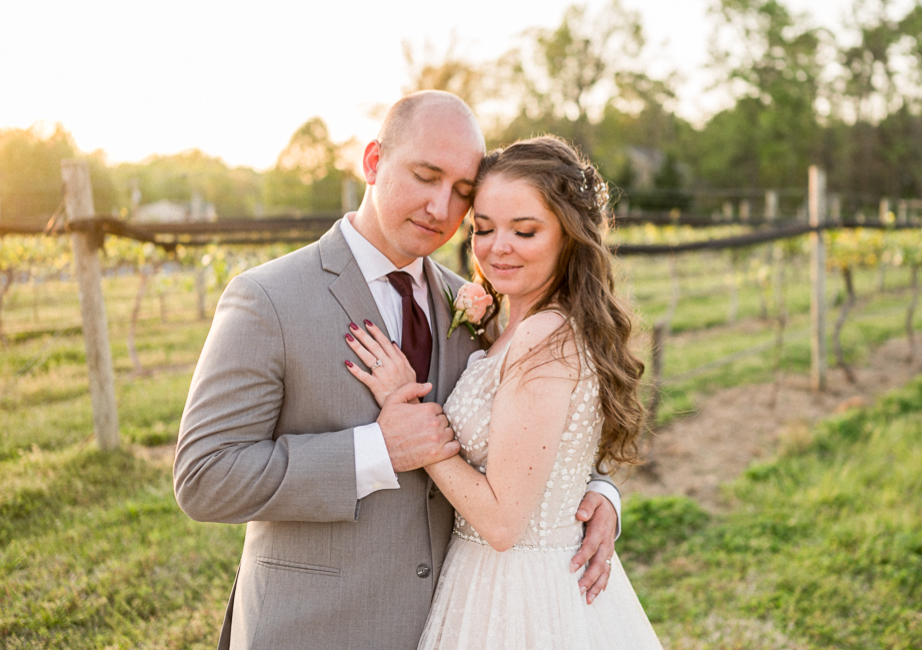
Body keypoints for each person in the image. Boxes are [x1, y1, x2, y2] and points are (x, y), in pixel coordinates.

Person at [173, 91, 622, 650]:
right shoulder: (269, 299)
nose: (441, 208)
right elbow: (204, 477)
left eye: (462, 192)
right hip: (312, 629)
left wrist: (600, 494)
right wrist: (377, 451)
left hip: (461, 622)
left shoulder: (476, 305)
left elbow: (534, 430)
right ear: (373, 161)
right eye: (425, 175)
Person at [343, 135, 663, 649]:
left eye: (526, 230)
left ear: (569, 235)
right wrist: (602, 492)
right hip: (484, 578)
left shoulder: (544, 335)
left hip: (522, 593)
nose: (497, 248)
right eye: (484, 229)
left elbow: (501, 521)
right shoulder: (506, 325)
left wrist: (416, 419)